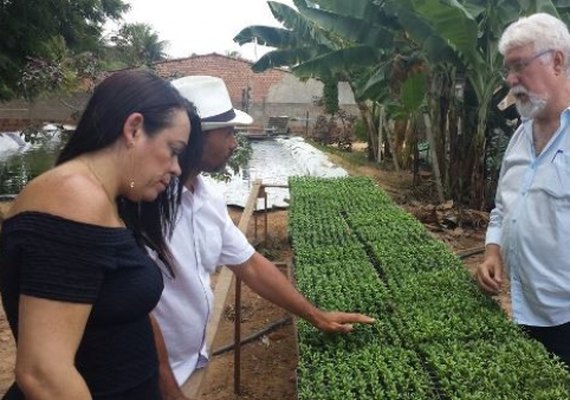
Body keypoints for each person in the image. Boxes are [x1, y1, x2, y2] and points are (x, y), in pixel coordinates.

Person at [151, 75, 375, 399]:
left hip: (190, 365)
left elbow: (252, 265)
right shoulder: (145, 207)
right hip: (150, 379)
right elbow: (135, 309)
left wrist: (316, 315)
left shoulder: (208, 197)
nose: (234, 144)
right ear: (191, 137)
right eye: (227, 133)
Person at [0, 70, 197, 399]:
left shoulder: (104, 200)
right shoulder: (71, 196)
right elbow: (43, 373)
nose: (177, 167)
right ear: (134, 129)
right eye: (173, 149)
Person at [475, 13, 570, 368]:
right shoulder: (520, 136)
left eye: (520, 66)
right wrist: (492, 254)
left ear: (557, 61)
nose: (511, 81)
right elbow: (503, 209)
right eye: (508, 70)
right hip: (523, 308)